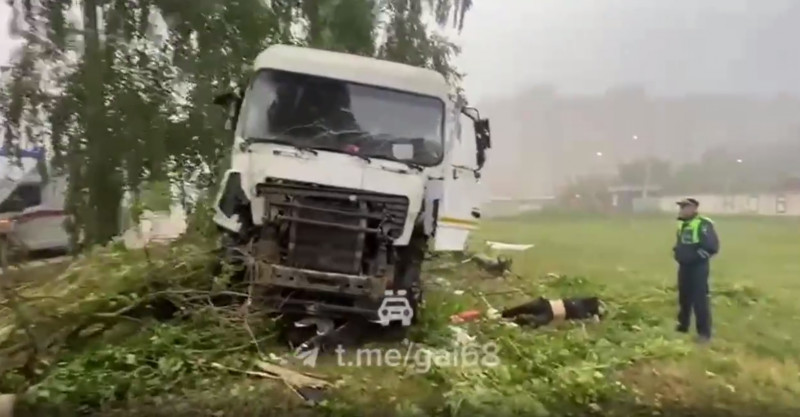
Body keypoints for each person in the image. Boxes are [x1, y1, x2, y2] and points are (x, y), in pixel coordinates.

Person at [673, 198, 719, 344]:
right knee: (684, 297)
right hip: (684, 266)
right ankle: (683, 326)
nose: (681, 210)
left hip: (698, 267)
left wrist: (694, 258)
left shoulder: (703, 224)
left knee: (700, 300)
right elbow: (681, 242)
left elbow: (711, 247)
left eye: (685, 207)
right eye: (681, 207)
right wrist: (677, 253)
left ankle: (704, 333)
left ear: (693, 208)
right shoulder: (682, 223)